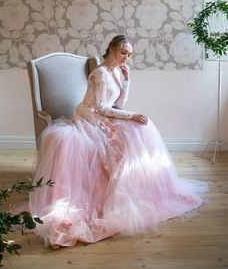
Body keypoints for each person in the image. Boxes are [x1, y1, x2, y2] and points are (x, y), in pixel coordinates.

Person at [29, 34, 207, 249]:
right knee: (127, 132)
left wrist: (127, 81)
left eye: (129, 55)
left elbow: (119, 104)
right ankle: (114, 187)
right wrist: (131, 116)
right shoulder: (100, 73)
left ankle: (136, 184)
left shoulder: (115, 72)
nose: (126, 58)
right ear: (112, 49)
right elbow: (103, 108)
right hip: (89, 117)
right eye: (123, 52)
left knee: (141, 128)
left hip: (103, 114)